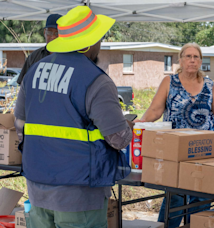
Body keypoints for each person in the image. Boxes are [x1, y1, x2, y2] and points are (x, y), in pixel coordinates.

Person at [14, 6, 132, 228]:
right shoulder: (96, 80)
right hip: (79, 192)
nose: (100, 43)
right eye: (99, 38)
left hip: (38, 184)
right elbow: (118, 139)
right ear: (88, 43)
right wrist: (127, 126)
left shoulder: (34, 72)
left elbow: (19, 124)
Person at [138, 42, 214, 227]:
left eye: (196, 57)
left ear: (201, 61)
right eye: (188, 56)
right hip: (176, 152)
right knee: (175, 197)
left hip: (205, 152)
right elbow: (155, 111)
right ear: (180, 59)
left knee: (200, 196)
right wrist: (137, 126)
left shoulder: (209, 85)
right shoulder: (169, 82)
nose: (192, 60)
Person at [17, 14, 62, 85]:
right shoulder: (34, 57)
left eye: (57, 33)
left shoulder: (69, 57)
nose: (53, 37)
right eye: (49, 32)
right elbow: (23, 84)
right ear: (44, 32)